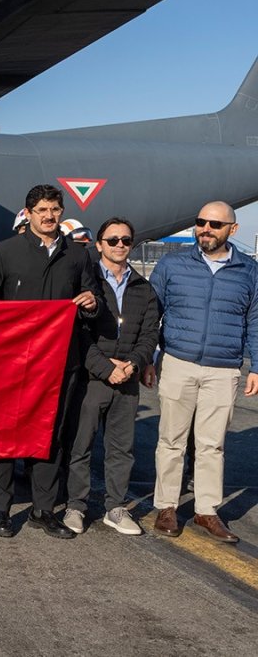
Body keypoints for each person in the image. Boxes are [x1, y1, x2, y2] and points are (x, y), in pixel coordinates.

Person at [0, 184, 99, 539]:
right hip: (12, 363)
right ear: (29, 213)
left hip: (61, 362)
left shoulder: (77, 256)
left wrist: (92, 306)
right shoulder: (4, 252)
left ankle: (42, 509)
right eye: (42, 210)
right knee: (4, 434)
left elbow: (93, 301)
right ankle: (1, 510)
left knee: (50, 435)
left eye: (55, 210)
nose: (49, 217)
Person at [149, 201, 258, 543]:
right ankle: (166, 506)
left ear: (232, 230)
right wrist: (146, 358)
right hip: (178, 362)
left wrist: (257, 366)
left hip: (223, 370)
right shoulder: (172, 264)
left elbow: (255, 321)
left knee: (213, 444)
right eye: (201, 222)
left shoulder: (249, 271)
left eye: (214, 224)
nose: (205, 229)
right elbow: (151, 314)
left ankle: (206, 511)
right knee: (171, 440)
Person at [65, 217, 159, 536]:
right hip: (95, 377)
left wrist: (132, 365)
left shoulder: (143, 288)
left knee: (121, 447)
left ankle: (115, 508)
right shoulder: (87, 282)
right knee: (82, 444)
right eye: (113, 239)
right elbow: (79, 333)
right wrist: (107, 367)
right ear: (100, 244)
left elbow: (149, 334)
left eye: (126, 240)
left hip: (128, 377)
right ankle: (75, 506)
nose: (120, 245)